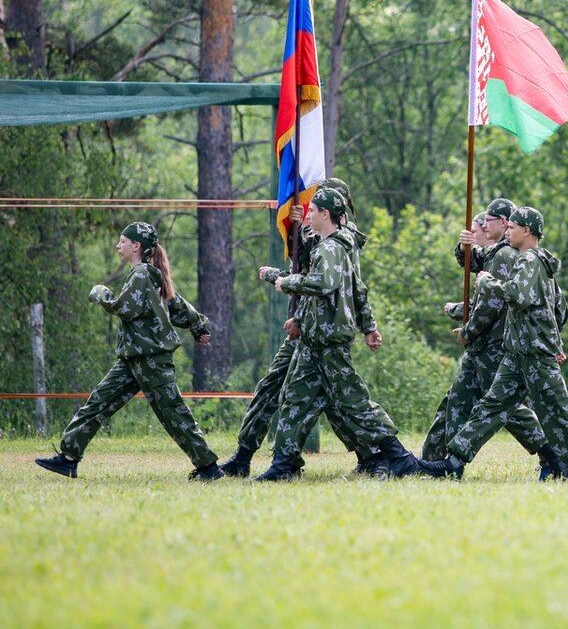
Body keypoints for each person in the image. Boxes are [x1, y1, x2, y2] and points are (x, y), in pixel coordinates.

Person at [219, 178, 387, 478]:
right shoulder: (320, 235)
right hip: (307, 326)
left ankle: (375, 455)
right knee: (277, 389)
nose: (310, 207)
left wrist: (367, 326)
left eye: (317, 203)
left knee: (337, 400)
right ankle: (248, 456)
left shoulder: (342, 240)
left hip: (319, 329)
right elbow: (305, 266)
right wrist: (296, 232)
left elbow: (348, 288)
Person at [254, 187, 420, 482]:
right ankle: (284, 465)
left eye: (313, 211)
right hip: (314, 340)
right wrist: (368, 326)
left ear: (326, 214)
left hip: (330, 340)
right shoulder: (329, 245)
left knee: (354, 403)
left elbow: (325, 283)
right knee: (293, 399)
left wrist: (288, 281)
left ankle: (399, 457)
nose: (309, 215)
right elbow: (357, 289)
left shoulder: (331, 248)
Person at [35, 222, 223, 481]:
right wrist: (198, 325)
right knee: (98, 402)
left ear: (137, 246)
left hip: (151, 359)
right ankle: (68, 458)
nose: (118, 245)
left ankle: (208, 468)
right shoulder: (148, 274)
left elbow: (125, 308)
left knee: (173, 412)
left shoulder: (142, 275)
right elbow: (176, 305)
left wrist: (101, 294)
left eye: (122, 241)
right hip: (133, 358)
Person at [423, 207, 568, 481]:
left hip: (536, 353)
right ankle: (454, 460)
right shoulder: (526, 260)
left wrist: (488, 282)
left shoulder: (531, 261)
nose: (508, 231)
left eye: (512, 227)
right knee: (490, 406)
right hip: (517, 353)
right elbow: (553, 309)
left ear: (527, 231)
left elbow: (518, 296)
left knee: (560, 413)